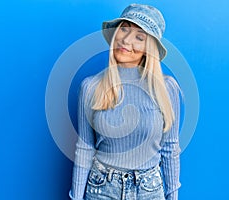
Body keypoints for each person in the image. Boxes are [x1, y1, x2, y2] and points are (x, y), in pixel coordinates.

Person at [69, 3, 181, 200]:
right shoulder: (90, 87)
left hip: (149, 190)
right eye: (124, 29)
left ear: (149, 48)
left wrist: (173, 197)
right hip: (101, 189)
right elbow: (85, 147)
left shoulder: (167, 88)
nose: (126, 40)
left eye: (139, 37)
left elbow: (170, 148)